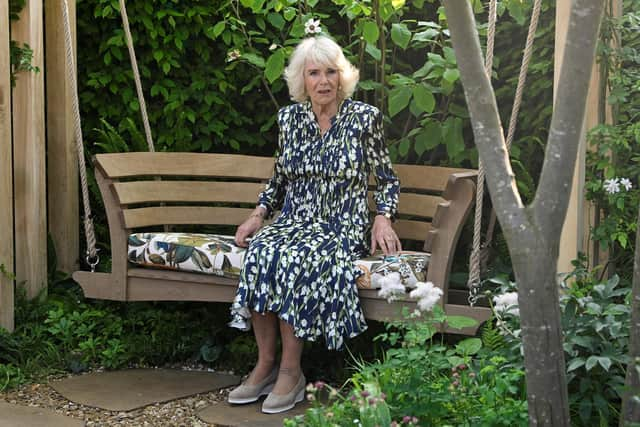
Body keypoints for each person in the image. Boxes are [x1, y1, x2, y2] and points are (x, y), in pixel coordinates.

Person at [227, 34, 401, 414]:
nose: (324, 81)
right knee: (262, 252)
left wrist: (383, 217)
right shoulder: (290, 119)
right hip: (295, 220)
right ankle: (264, 365)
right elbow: (279, 180)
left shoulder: (364, 120)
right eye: (314, 73)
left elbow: (386, 179)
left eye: (331, 72)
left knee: (293, 258)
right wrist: (258, 215)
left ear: (343, 77)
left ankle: (291, 372)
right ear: (301, 80)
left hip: (341, 225)